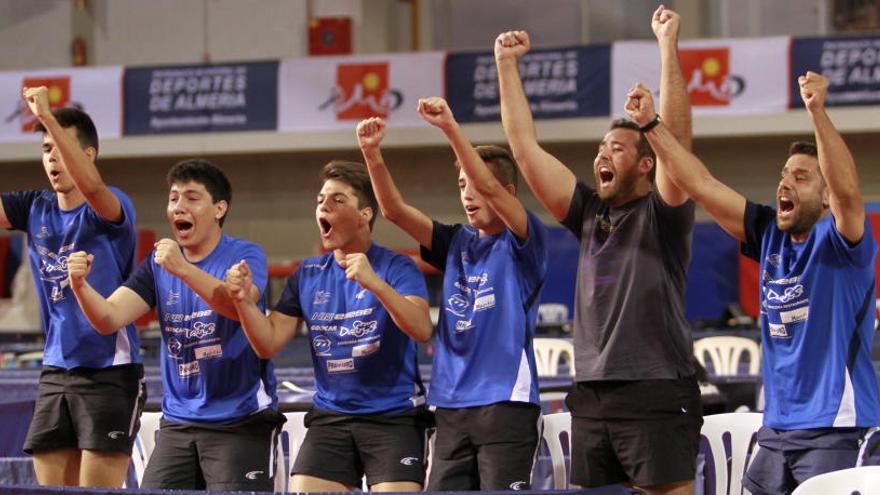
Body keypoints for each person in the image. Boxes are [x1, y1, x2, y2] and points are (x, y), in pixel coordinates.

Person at [625, 71, 880, 494]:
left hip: (836, 429)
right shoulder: (768, 234)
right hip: (776, 429)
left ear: (824, 198)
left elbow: (848, 190)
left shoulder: (843, 240)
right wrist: (652, 126)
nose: (785, 182)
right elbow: (700, 184)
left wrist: (816, 111)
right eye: (784, 174)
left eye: (801, 177)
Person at [495, 6, 702, 494]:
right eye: (601, 147)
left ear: (647, 164)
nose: (602, 155)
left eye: (617, 148)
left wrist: (667, 46)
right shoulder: (588, 211)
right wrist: (506, 66)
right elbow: (524, 150)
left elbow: (680, 143)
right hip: (589, 394)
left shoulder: (664, 213)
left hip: (655, 389)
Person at [356, 97, 548, 490]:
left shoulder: (524, 240)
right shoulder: (455, 241)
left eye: (476, 185)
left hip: (505, 405)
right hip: (450, 405)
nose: (468, 194)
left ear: (506, 192)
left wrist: (449, 128)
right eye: (461, 184)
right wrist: (372, 155)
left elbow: (491, 186)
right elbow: (393, 211)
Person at [66, 159, 283, 491]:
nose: (179, 206)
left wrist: (182, 269)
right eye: (173, 198)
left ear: (219, 208)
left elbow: (239, 306)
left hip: (240, 421)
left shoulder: (244, 254)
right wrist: (80, 285)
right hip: (179, 423)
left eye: (192, 198)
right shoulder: (157, 265)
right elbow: (109, 318)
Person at [226, 160, 432, 493]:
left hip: (394, 417)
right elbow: (268, 343)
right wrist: (242, 302)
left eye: (337, 200)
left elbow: (421, 328)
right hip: (331, 418)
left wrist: (375, 284)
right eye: (321, 199)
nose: (324, 205)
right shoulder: (307, 275)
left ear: (364, 214)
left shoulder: (397, 266)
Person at [0, 87, 141, 488]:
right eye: (45, 148)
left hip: (109, 371)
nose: (51, 158)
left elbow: (94, 189)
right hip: (55, 370)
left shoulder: (111, 206)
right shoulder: (34, 207)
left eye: (59, 147)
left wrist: (45, 115)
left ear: (87, 156)